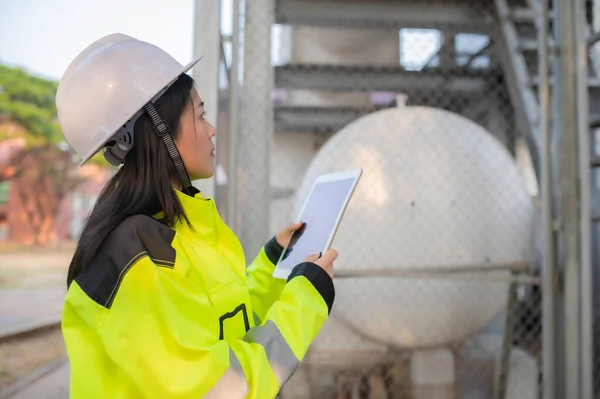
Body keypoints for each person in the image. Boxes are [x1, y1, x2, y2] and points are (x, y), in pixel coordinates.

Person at [57, 33, 338, 398]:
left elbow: (226, 323)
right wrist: (307, 300)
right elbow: (216, 388)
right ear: (161, 133)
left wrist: (272, 263)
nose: (212, 129)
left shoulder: (182, 229)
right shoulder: (136, 258)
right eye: (201, 115)